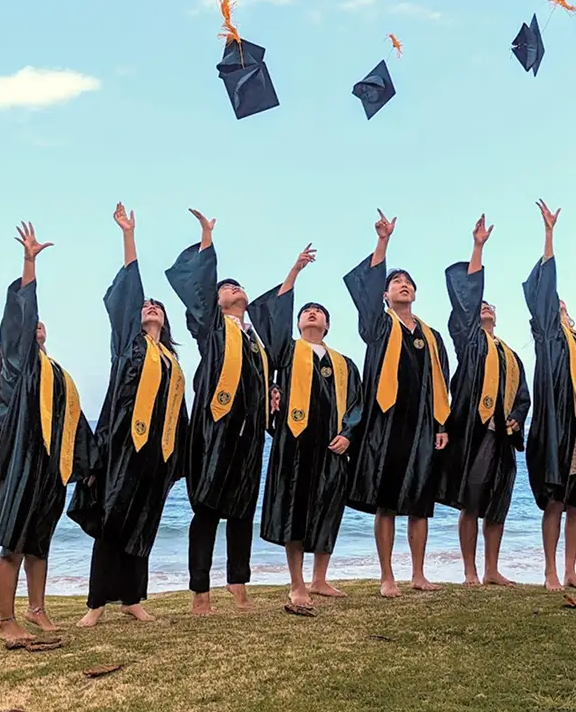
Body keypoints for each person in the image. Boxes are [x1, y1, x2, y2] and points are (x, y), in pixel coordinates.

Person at [71, 204, 188, 627]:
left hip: (155, 453)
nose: (151, 308)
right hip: (121, 446)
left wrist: (181, 460)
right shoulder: (128, 344)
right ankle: (95, 605)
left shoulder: (172, 361)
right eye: (146, 306)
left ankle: (134, 599)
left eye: (157, 306)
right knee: (112, 521)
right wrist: (128, 235)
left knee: (143, 524)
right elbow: (129, 293)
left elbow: (181, 412)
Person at [0, 222, 96, 643]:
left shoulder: (55, 374)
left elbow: (75, 421)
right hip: (19, 465)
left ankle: (37, 609)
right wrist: (29, 263)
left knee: (39, 542)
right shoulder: (17, 366)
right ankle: (6, 622)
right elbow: (21, 313)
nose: (38, 325)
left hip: (49, 467)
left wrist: (88, 466)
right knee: (13, 543)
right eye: (33, 324)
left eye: (42, 324)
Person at [248, 244, 364, 610]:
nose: (312, 314)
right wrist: (294, 271)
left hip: (332, 446)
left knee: (327, 508)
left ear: (327, 324)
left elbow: (358, 405)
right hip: (294, 445)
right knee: (295, 511)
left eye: (319, 312)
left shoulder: (344, 364)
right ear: (299, 323)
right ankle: (296, 584)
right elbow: (274, 318)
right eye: (307, 312)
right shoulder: (285, 353)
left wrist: (348, 434)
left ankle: (320, 579)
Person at [165, 208, 269, 614]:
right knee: (207, 510)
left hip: (248, 434)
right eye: (225, 288)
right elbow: (201, 287)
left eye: (236, 286)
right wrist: (207, 239)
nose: (233, 290)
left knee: (242, 509)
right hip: (214, 431)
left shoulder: (255, 339)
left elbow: (263, 377)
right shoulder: (209, 326)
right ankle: (200, 593)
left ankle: (239, 585)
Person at [343, 210, 451, 598]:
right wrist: (383, 242)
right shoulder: (378, 325)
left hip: (422, 424)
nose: (402, 286)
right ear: (385, 296)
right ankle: (387, 575)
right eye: (394, 283)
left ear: (415, 293)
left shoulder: (432, 335)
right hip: (385, 422)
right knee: (386, 502)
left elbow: (442, 385)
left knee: (420, 502)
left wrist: (441, 425)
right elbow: (368, 286)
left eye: (407, 283)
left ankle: (418, 573)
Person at [440, 215, 530, 587]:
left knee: (497, 504)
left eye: (489, 306)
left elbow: (524, 396)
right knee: (470, 502)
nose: (485, 308)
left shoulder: (511, 355)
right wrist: (477, 248)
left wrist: (515, 419)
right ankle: (470, 571)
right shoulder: (469, 341)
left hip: (501, 437)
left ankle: (492, 568)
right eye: (481, 307)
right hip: (472, 432)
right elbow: (466, 301)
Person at [523, 200, 576, 591]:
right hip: (556, 425)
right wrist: (549, 235)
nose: (558, 307)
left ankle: (571, 569)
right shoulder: (547, 336)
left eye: (562, 305)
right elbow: (545, 286)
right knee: (554, 499)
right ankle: (550, 571)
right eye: (553, 304)